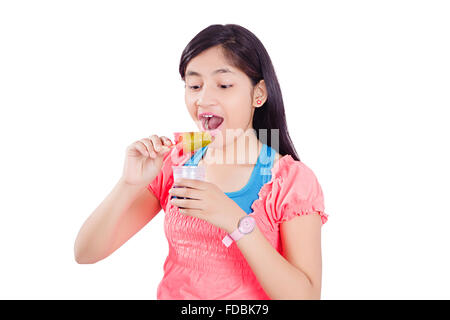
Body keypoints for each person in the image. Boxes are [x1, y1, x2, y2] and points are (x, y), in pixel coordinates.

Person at [74, 24, 329, 300]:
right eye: (194, 85)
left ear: (259, 93)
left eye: (224, 85)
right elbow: (85, 253)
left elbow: (306, 297)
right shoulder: (174, 165)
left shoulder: (291, 182)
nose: (203, 99)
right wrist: (127, 184)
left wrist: (236, 221)